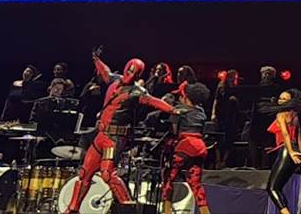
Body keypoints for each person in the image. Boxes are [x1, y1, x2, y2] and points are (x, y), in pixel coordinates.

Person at [64, 49, 175, 214]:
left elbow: (154, 101)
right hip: (101, 136)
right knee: (84, 173)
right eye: (130, 69)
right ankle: (72, 209)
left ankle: (128, 208)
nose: (131, 74)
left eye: (135, 72)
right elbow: (105, 71)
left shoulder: (137, 91)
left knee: (108, 173)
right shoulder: (114, 81)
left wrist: (173, 110)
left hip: (114, 139)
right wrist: (96, 59)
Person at [161, 83, 212, 214]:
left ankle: (166, 211)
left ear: (186, 97)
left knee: (169, 178)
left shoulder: (179, 110)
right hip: (200, 147)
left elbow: (174, 130)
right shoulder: (201, 112)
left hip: (185, 146)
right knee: (196, 183)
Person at [264, 89, 301, 214]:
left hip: (287, 150)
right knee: (278, 187)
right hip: (292, 150)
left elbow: (286, 134)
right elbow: (298, 136)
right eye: (280, 98)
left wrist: (291, 152)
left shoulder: (281, 115)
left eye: (284, 99)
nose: (281, 100)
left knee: (272, 188)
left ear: (290, 101)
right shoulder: (295, 116)